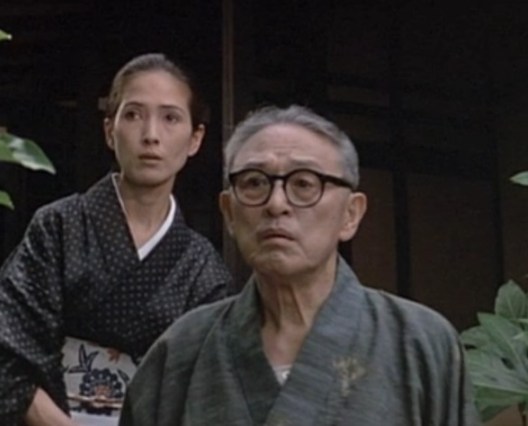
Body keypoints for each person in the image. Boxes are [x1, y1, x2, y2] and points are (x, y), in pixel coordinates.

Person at [120, 105, 480, 426]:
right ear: (229, 212)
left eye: (304, 184)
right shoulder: (180, 352)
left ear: (351, 214)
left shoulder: (419, 342)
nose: (276, 204)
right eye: (255, 183)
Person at [0, 53, 232, 426]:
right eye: (133, 115)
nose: (151, 134)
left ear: (195, 139)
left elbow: (210, 392)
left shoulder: (202, 266)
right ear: (109, 130)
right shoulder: (59, 227)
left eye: (170, 118)